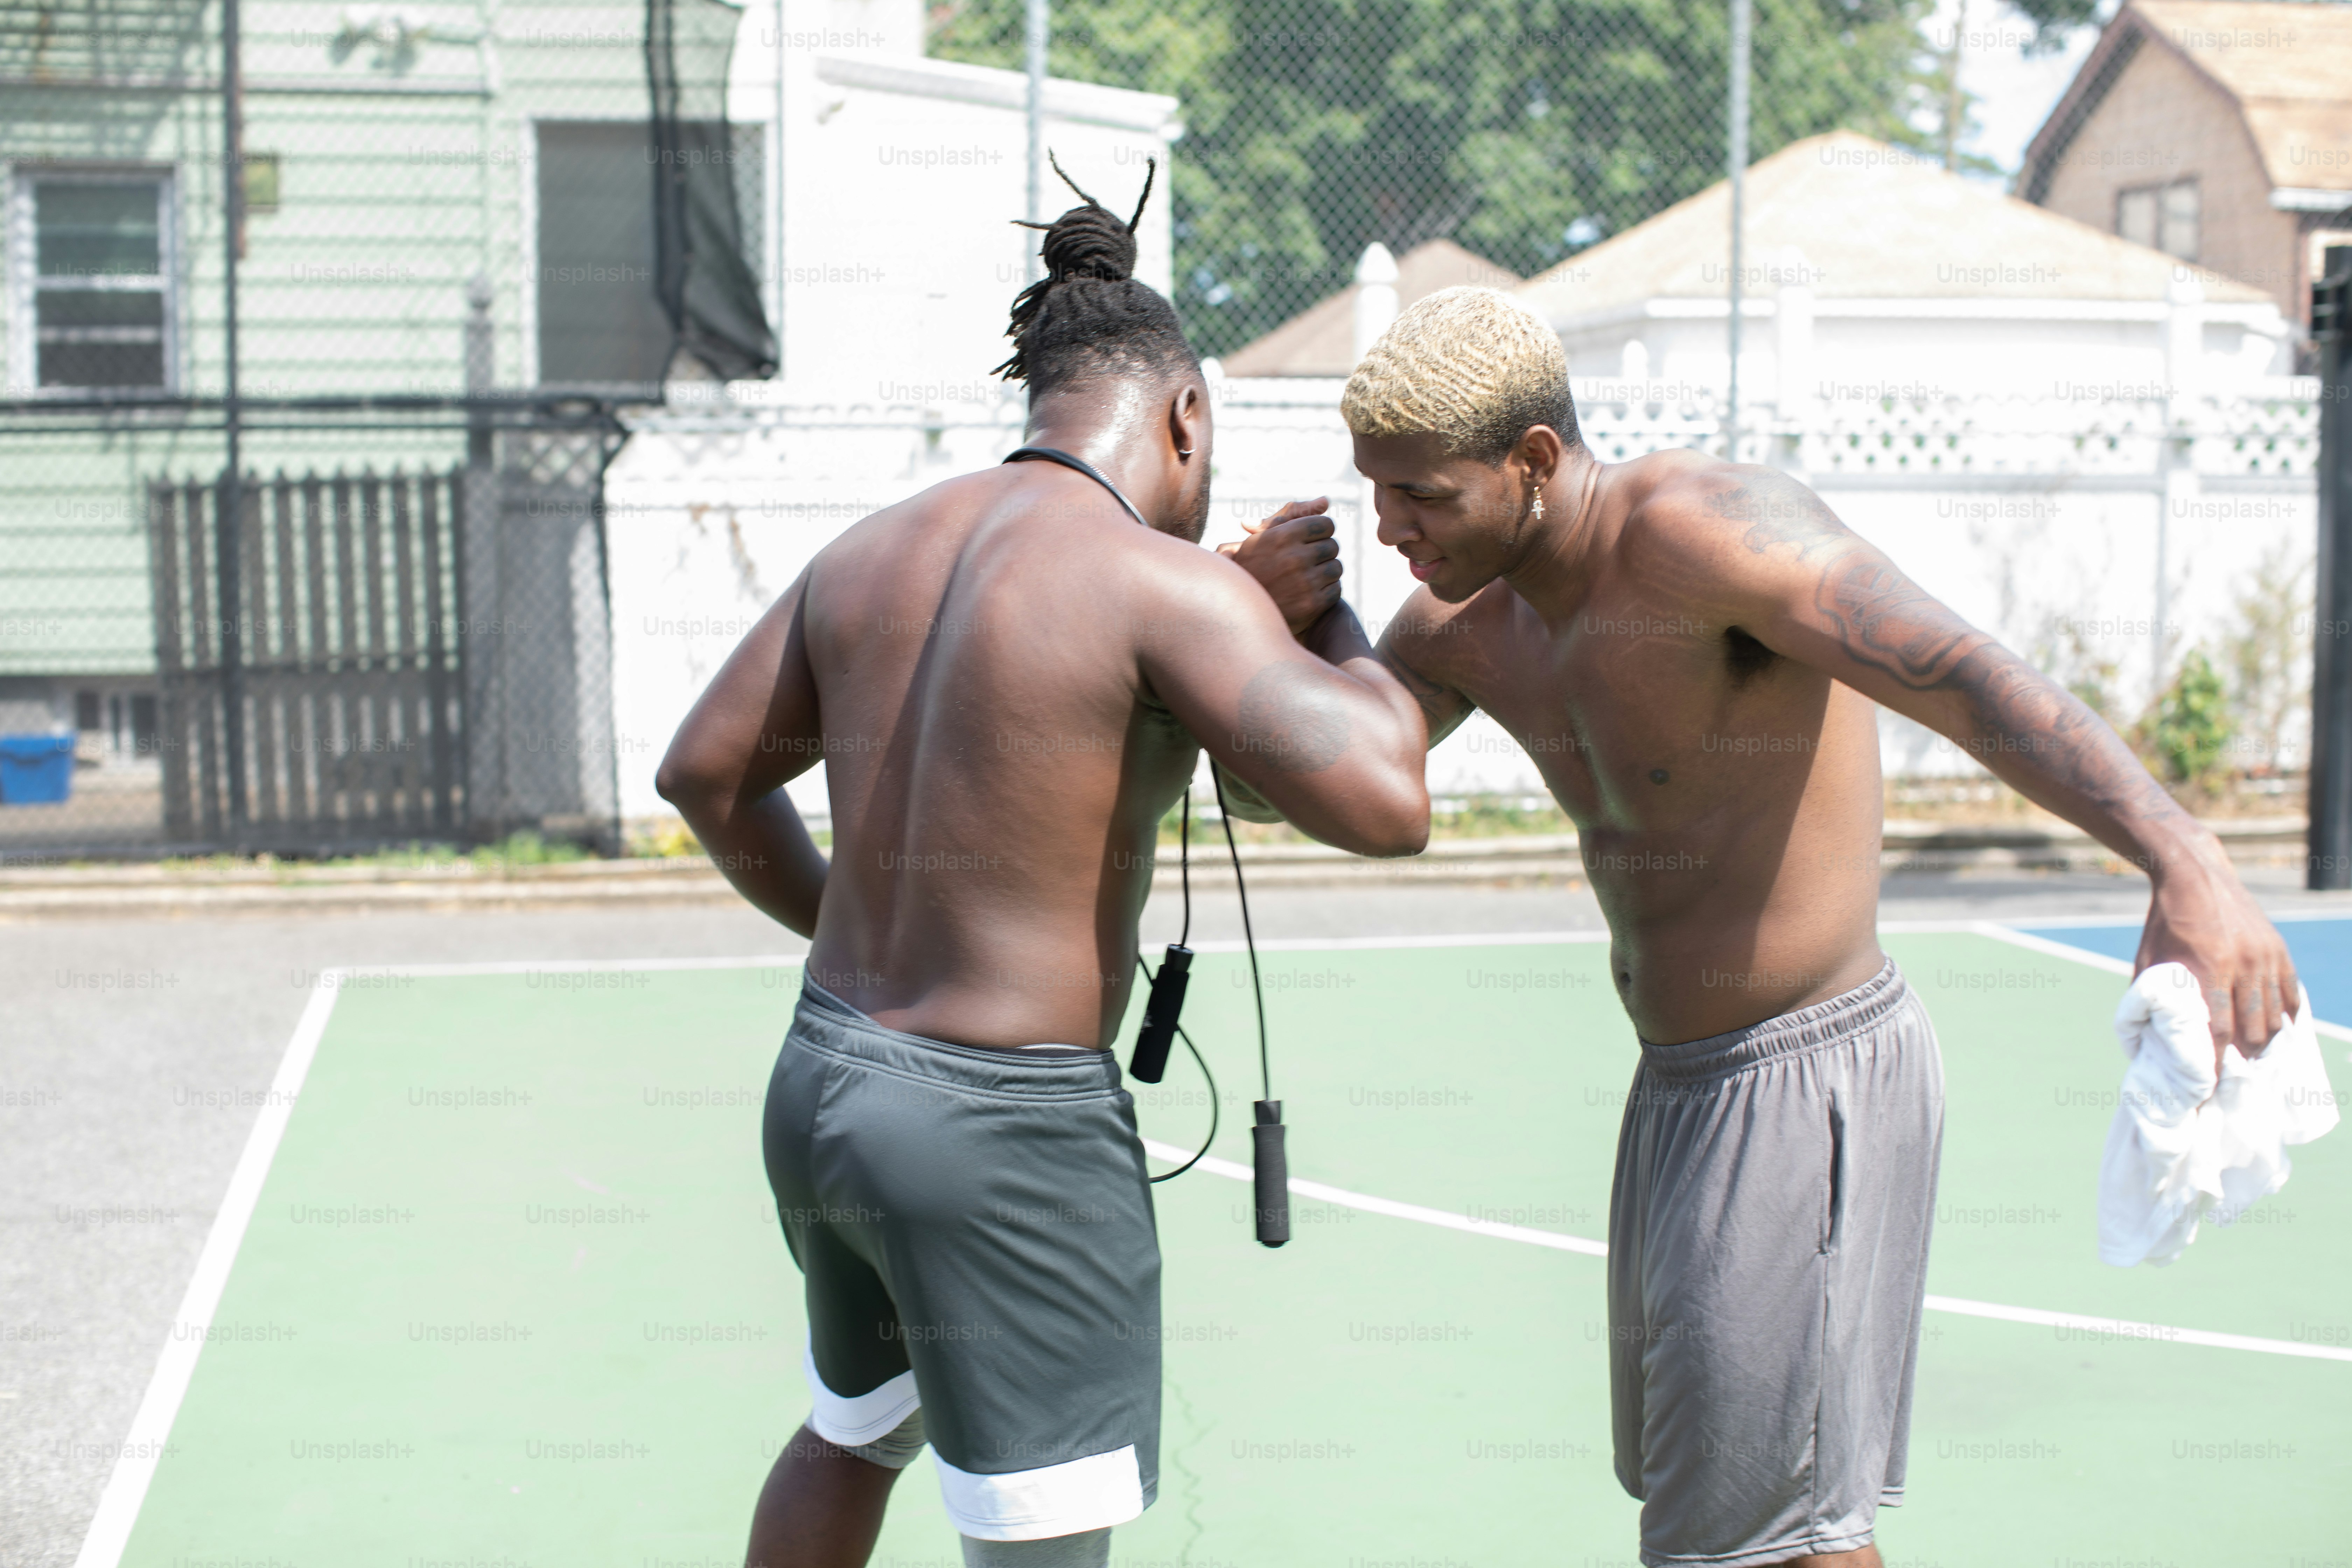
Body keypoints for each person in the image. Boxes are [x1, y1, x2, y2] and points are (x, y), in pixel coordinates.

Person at [1253, 285, 2298, 1568]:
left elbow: (1962, 675)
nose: (1389, 527)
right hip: (1680, 1092)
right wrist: (1283, 633)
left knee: (1763, 1535)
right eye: (1376, 492)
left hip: (1810, 1074)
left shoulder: (1704, 533)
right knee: (1757, 1524)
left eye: (1424, 495)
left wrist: (2185, 857)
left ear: (1531, 462)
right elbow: (1326, 794)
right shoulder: (1463, 624)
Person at [654, 165, 1428, 1568]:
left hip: (828, 1076)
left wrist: (862, 930)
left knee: (853, 1432)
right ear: (1189, 415)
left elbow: (704, 775)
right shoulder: (1162, 584)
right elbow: (1389, 796)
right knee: (1043, 1540)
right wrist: (1327, 620)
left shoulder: (874, 550)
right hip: (1003, 1134)